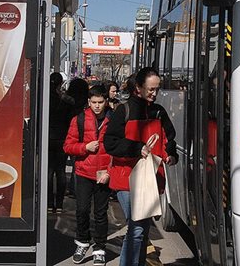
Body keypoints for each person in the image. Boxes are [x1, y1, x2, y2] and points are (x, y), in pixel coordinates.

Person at [104, 67, 178, 266]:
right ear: (138, 88)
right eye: (150, 89)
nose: (154, 94)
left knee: (142, 229)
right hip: (127, 179)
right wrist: (137, 148)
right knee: (137, 229)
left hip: (151, 179)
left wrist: (170, 154)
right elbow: (110, 143)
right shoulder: (123, 110)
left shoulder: (159, 112)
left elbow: (169, 138)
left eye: (157, 89)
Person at [63, 85, 112, 265]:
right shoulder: (79, 120)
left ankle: (99, 248)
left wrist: (110, 171)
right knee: (82, 210)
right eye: (94, 102)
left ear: (105, 102)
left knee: (101, 213)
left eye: (100, 102)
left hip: (104, 173)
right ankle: (83, 242)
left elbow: (117, 149)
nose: (97, 106)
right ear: (89, 102)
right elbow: (68, 146)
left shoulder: (113, 120)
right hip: (84, 171)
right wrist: (85, 147)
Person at [48, 72, 73, 213]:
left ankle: (49, 203)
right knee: (61, 171)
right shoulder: (65, 101)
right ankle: (59, 204)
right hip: (62, 137)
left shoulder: (44, 98)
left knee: (49, 171)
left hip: (48, 138)